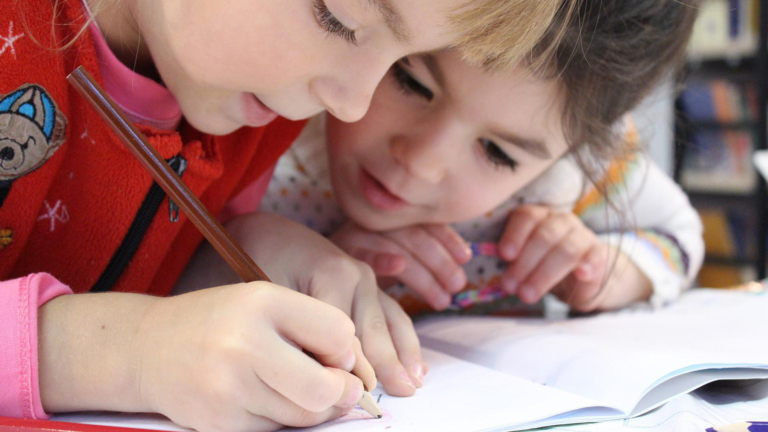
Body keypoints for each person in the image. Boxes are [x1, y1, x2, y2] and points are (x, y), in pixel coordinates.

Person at [0, 0, 574, 430]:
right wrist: (132, 353)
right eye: (338, 18)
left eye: (398, 60)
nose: (351, 104)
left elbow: (130, 273)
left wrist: (239, 255)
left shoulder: (254, 110)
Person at [187, 0, 704, 322]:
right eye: (411, 82)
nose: (421, 163)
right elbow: (170, 285)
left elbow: (680, 235)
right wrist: (284, 264)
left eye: (498, 153)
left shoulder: (572, 178)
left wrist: (607, 272)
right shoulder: (275, 119)